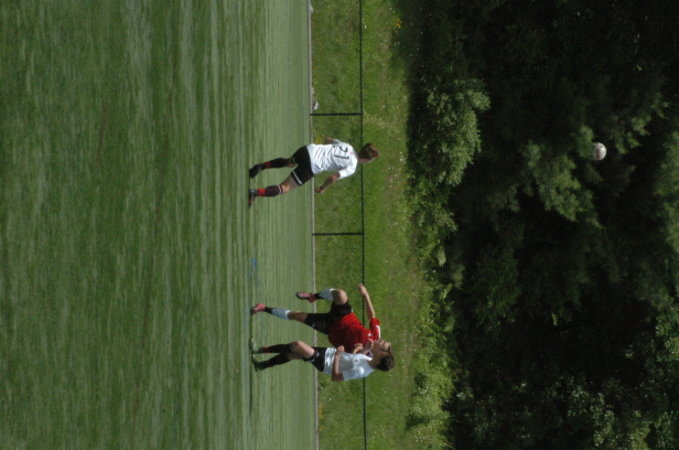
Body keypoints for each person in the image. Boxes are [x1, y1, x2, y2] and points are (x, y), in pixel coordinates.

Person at [250, 284, 390, 360]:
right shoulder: (376, 335)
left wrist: (363, 349)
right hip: (345, 315)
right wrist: (365, 295)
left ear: (380, 352)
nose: (381, 340)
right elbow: (372, 316)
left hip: (330, 328)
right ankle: (313, 297)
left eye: (383, 343)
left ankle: (263, 308)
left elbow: (350, 359)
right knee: (341, 294)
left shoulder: (367, 358)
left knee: (296, 316)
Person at [248, 138, 379, 205]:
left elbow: (328, 140)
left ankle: (261, 166)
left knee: (288, 162)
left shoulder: (348, 146)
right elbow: (334, 177)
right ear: (366, 160)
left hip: (308, 150)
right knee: (285, 187)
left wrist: (323, 152)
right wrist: (323, 187)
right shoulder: (352, 166)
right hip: (312, 166)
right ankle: (255, 193)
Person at [249, 339, 393, 381]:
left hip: (325, 362)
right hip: (328, 353)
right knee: (292, 355)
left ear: (378, 362)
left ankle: (260, 349)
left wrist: (337, 356)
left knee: (298, 345)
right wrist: (364, 349)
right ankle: (262, 365)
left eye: (382, 354)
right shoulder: (368, 358)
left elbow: (336, 378)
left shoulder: (361, 371)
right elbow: (353, 359)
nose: (380, 352)